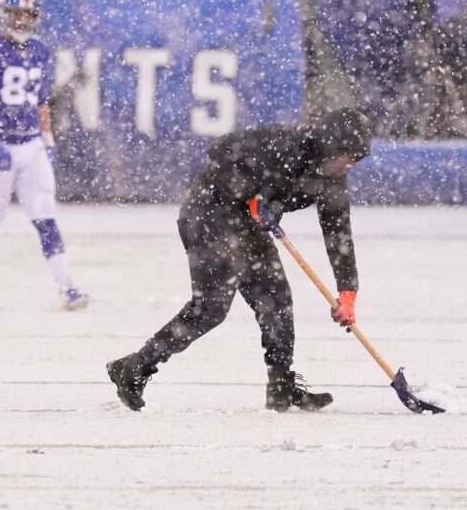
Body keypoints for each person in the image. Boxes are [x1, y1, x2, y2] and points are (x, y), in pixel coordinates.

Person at [106, 108, 374, 412]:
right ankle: (134, 368)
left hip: (248, 227)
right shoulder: (286, 141)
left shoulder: (331, 179)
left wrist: (348, 292)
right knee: (210, 308)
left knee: (276, 300)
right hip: (209, 215)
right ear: (330, 144)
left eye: (357, 159)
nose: (351, 164)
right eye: (349, 155)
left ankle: (281, 387)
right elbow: (220, 148)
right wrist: (250, 194)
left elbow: (339, 232)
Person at [0, 0, 91, 311]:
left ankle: (66, 287)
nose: (22, 20)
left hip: (30, 142)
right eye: (16, 14)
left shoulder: (40, 50)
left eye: (27, 14)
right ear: (4, 14)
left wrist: (47, 142)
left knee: (45, 215)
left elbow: (41, 102)